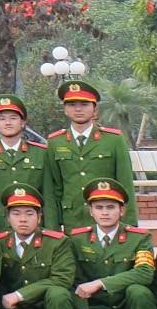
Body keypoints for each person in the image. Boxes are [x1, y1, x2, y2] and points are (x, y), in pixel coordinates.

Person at [66, 179, 157, 309]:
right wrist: (81, 307)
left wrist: (101, 283)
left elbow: (145, 272)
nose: (105, 213)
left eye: (111, 207)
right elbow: (73, 278)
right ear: (91, 211)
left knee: (140, 292)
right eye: (99, 207)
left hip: (129, 307)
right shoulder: (77, 239)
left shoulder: (139, 238)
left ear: (122, 210)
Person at [49, 82, 136, 248]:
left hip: (107, 218)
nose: (78, 109)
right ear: (65, 109)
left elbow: (125, 183)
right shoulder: (55, 142)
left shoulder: (113, 140)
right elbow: (55, 187)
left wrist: (130, 223)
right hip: (73, 219)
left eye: (84, 104)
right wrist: (53, 226)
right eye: (72, 105)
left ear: (95, 109)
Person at [0, 94, 55, 232]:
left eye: (13, 118)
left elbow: (48, 195)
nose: (8, 123)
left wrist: (50, 230)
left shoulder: (41, 153)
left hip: (34, 227)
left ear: (23, 123)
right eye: (2, 119)